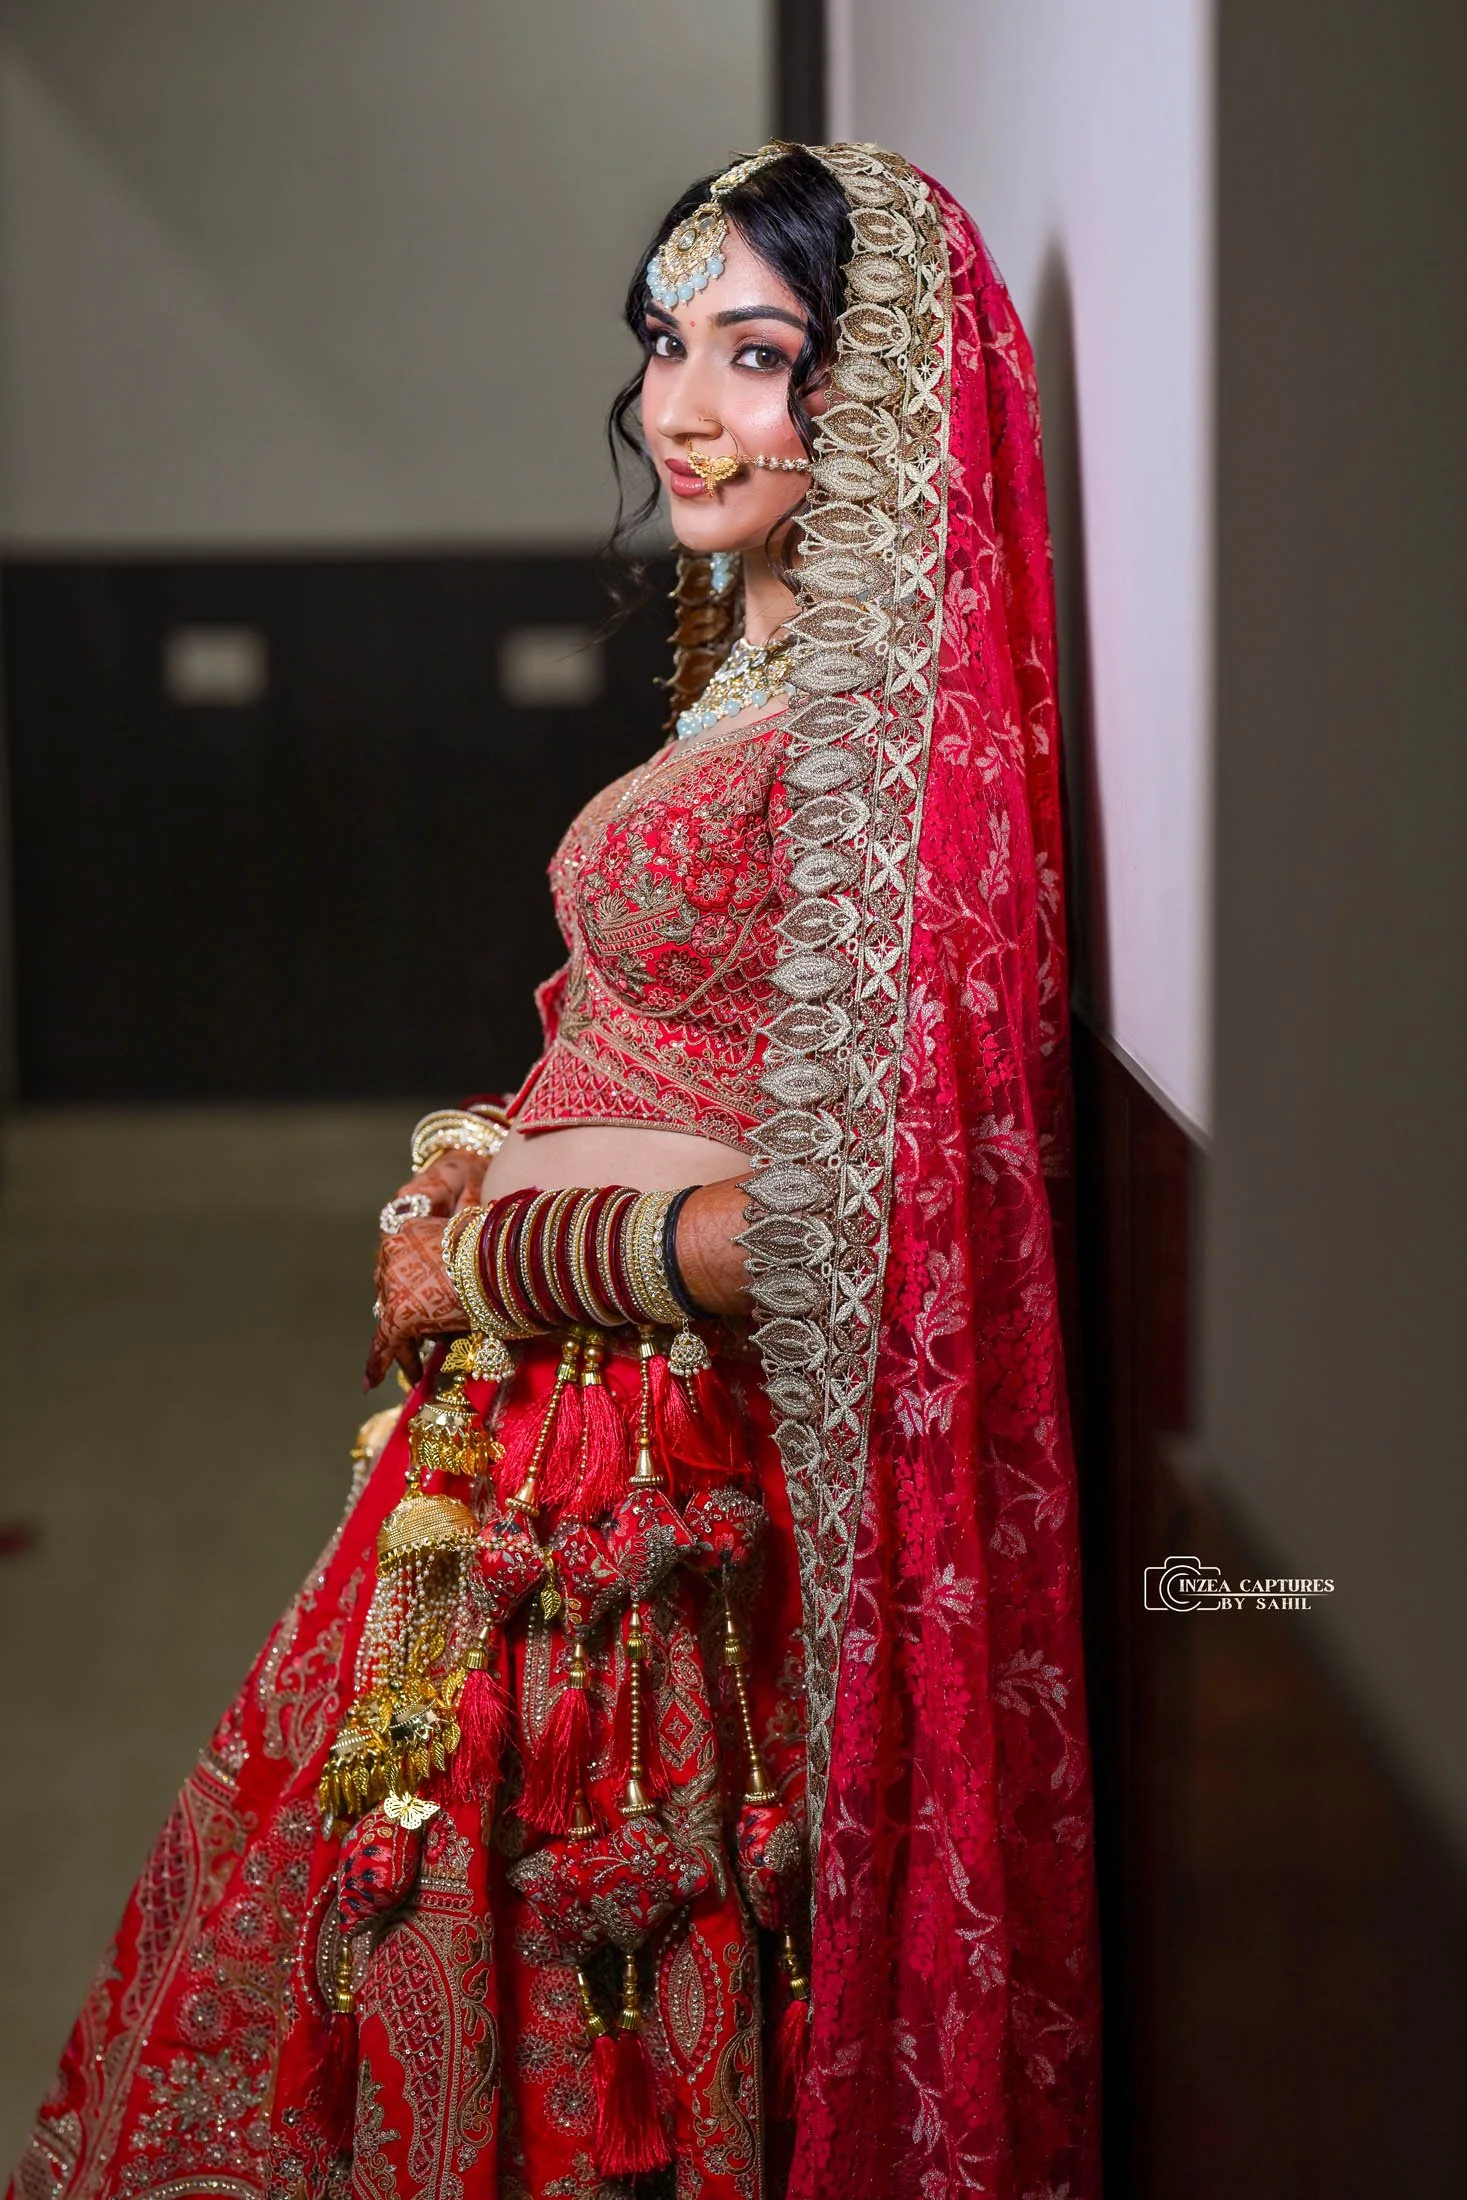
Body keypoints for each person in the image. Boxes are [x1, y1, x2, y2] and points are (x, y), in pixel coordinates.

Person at [8, 142, 1100, 2200]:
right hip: (550, 1464)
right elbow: (658, 1025)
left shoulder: (891, 734)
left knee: (600, 2032)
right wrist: (470, 1158)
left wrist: (516, 1262)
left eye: (757, 356)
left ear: (880, 397)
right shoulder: (768, 682)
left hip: (661, 1508)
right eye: (665, 346)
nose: (680, 406)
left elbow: (847, 1206)